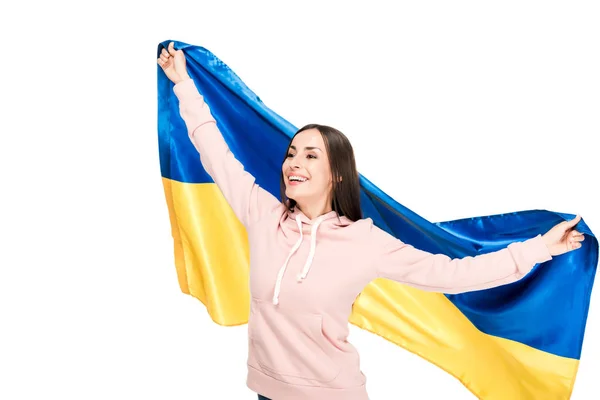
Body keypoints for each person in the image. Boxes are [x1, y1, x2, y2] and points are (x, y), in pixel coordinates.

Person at [157, 41, 584, 400]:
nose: (293, 163)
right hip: (266, 391)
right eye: (291, 154)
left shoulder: (364, 243)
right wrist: (184, 85)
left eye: (310, 155)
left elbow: (455, 274)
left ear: (337, 173)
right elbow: (215, 153)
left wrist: (541, 248)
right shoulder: (263, 215)